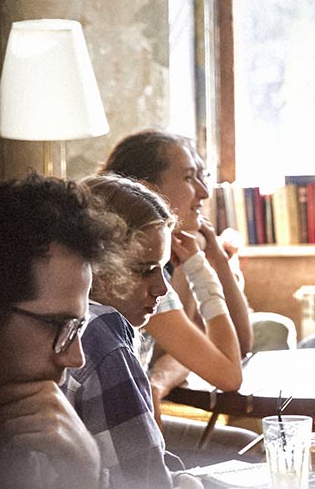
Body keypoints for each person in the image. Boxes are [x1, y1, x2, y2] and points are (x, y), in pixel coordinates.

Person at [63, 174, 211, 489]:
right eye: (144, 271)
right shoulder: (103, 336)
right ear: (94, 266)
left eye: (163, 268)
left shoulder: (65, 323)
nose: (161, 288)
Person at [103, 129, 251, 445]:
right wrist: (199, 267)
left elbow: (233, 342)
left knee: (251, 444)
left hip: (139, 416)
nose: (204, 192)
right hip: (119, 431)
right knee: (251, 447)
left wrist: (156, 382)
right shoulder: (133, 275)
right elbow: (228, 373)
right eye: (188, 177)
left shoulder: (169, 258)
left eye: (202, 176)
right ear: (147, 189)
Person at [0, 174, 117, 489]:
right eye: (59, 326)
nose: (76, 358)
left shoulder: (28, 425)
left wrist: (85, 474)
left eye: (78, 327)